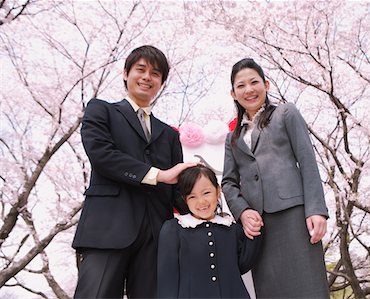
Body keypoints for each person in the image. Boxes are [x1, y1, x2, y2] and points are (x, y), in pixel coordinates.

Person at [72, 45, 196, 298]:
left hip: (156, 236)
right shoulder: (101, 110)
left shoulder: (170, 134)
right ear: (126, 73)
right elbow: (101, 155)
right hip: (107, 228)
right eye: (141, 69)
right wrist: (157, 175)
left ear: (161, 83)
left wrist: (206, 203)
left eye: (155, 73)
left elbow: (175, 190)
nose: (147, 77)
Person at [221, 58, 330, 298]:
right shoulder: (233, 138)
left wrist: (316, 210)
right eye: (241, 86)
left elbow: (307, 160)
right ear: (233, 93)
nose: (248, 90)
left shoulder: (286, 113)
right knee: (271, 290)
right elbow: (228, 182)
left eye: (254, 82)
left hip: (294, 215)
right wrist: (243, 211)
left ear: (266, 84)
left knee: (307, 285)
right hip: (259, 226)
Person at [157, 164, 261, 298]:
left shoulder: (231, 227)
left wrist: (254, 228)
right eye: (192, 196)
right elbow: (167, 280)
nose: (201, 201)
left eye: (206, 193)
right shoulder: (173, 229)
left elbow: (243, 265)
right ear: (185, 200)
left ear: (218, 191)